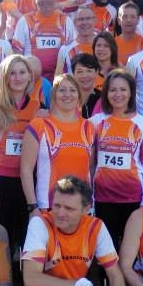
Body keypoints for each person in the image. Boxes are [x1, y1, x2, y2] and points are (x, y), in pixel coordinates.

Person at [0, 55, 43, 260]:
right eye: (12, 73)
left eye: (22, 72)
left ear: (30, 76)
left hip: (29, 181)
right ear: (5, 78)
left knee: (27, 236)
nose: (18, 77)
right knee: (1, 237)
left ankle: (25, 279)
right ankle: (2, 278)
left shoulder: (39, 107)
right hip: (1, 179)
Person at [90, 70, 143, 249]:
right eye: (112, 90)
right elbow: (89, 161)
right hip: (102, 198)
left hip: (133, 198)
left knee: (130, 251)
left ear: (131, 92)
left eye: (123, 89)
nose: (117, 94)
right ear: (106, 93)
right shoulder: (95, 122)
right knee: (106, 250)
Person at [20, 75, 95, 212]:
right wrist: (32, 206)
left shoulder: (88, 127)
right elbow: (26, 169)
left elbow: (90, 167)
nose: (67, 94)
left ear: (79, 96)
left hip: (82, 207)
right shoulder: (39, 124)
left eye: (72, 90)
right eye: (62, 90)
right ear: (54, 95)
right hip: (49, 206)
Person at [12, 0, 75, 82]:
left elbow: (73, 50)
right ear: (35, 0)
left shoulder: (66, 21)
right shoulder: (25, 20)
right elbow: (17, 52)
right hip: (32, 79)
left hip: (60, 79)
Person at [54, 6, 97, 76]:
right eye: (80, 19)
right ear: (74, 22)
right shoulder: (65, 49)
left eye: (88, 18)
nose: (84, 22)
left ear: (95, 20)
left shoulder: (104, 45)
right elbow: (58, 78)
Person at [71, 53, 101, 119]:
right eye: (80, 71)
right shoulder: (66, 99)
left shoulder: (105, 100)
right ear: (73, 74)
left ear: (96, 72)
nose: (84, 75)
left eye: (89, 71)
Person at [115, 2, 143, 67]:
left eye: (133, 17)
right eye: (124, 16)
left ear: (138, 20)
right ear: (119, 20)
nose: (129, 20)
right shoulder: (112, 44)